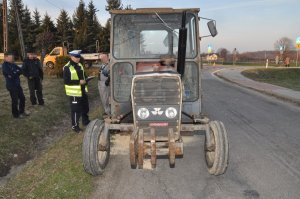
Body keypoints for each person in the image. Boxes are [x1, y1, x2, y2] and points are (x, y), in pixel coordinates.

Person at [63, 50, 90, 132]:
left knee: (85, 107)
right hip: (74, 93)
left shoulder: (79, 65)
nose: (78, 59)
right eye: (76, 57)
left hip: (82, 90)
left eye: (79, 57)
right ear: (71, 57)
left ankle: (85, 121)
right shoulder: (67, 67)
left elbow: (83, 76)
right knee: (75, 110)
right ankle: (75, 126)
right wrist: (79, 82)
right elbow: (66, 81)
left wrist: (87, 79)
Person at [2, 52, 29, 118]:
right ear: (6, 58)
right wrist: (16, 72)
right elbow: (11, 74)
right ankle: (15, 114)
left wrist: (15, 72)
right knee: (15, 100)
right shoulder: (4, 66)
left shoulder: (13, 64)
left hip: (17, 85)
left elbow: (21, 71)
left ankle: (21, 111)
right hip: (11, 85)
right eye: (10, 58)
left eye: (12, 58)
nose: (12, 59)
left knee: (22, 98)